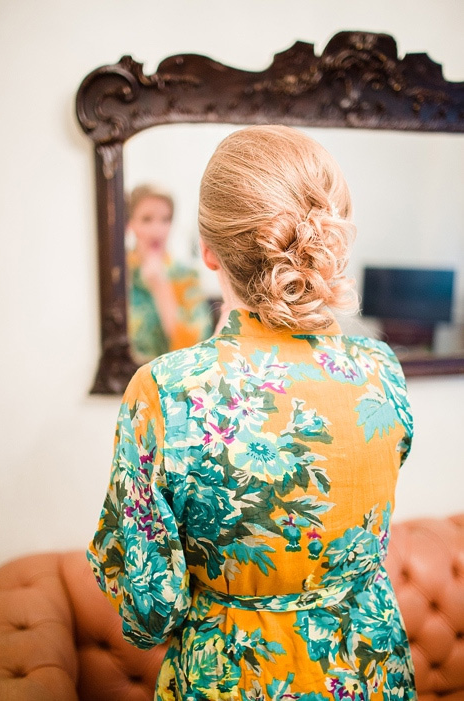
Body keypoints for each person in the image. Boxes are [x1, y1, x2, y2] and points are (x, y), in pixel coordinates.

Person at [88, 126, 416, 699]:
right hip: (371, 673)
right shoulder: (379, 369)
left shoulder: (168, 394)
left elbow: (149, 611)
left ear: (210, 249)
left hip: (237, 680)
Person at [126, 184, 213, 360]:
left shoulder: (186, 276)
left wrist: (161, 288)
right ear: (130, 224)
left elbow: (198, 350)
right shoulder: (120, 274)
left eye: (165, 219)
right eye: (146, 219)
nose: (158, 230)